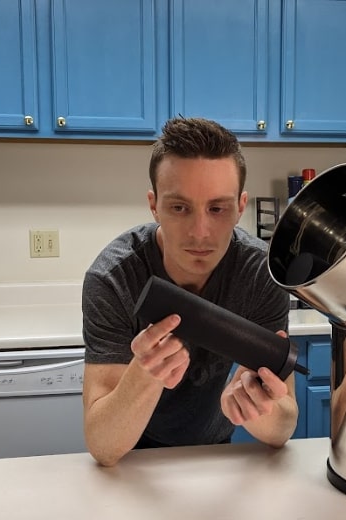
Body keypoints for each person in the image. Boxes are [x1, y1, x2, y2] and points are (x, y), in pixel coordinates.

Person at [81, 117, 297, 466]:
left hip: (215, 452)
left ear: (241, 206)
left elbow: (283, 427)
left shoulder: (260, 273)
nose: (200, 232)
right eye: (179, 208)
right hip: (130, 462)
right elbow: (104, 447)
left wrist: (257, 408)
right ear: (154, 205)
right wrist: (145, 374)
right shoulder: (113, 278)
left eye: (218, 208)